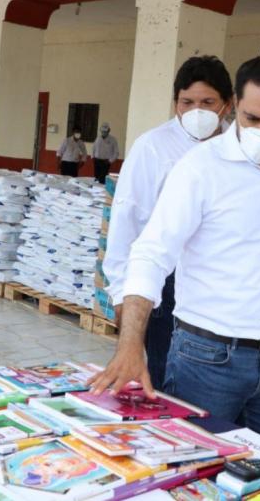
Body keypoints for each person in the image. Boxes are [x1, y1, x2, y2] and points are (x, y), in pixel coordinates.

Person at [91, 55, 260, 444]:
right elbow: (151, 252)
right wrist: (130, 344)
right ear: (238, 107)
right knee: (195, 474)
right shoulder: (200, 167)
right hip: (208, 359)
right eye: (252, 119)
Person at [103, 55, 234, 391]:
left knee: (218, 377)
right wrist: (121, 290)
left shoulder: (239, 148)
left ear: (228, 105)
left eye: (208, 102)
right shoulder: (153, 147)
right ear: (175, 103)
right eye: (187, 102)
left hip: (222, 283)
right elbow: (126, 221)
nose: (197, 111)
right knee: (168, 376)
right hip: (167, 283)